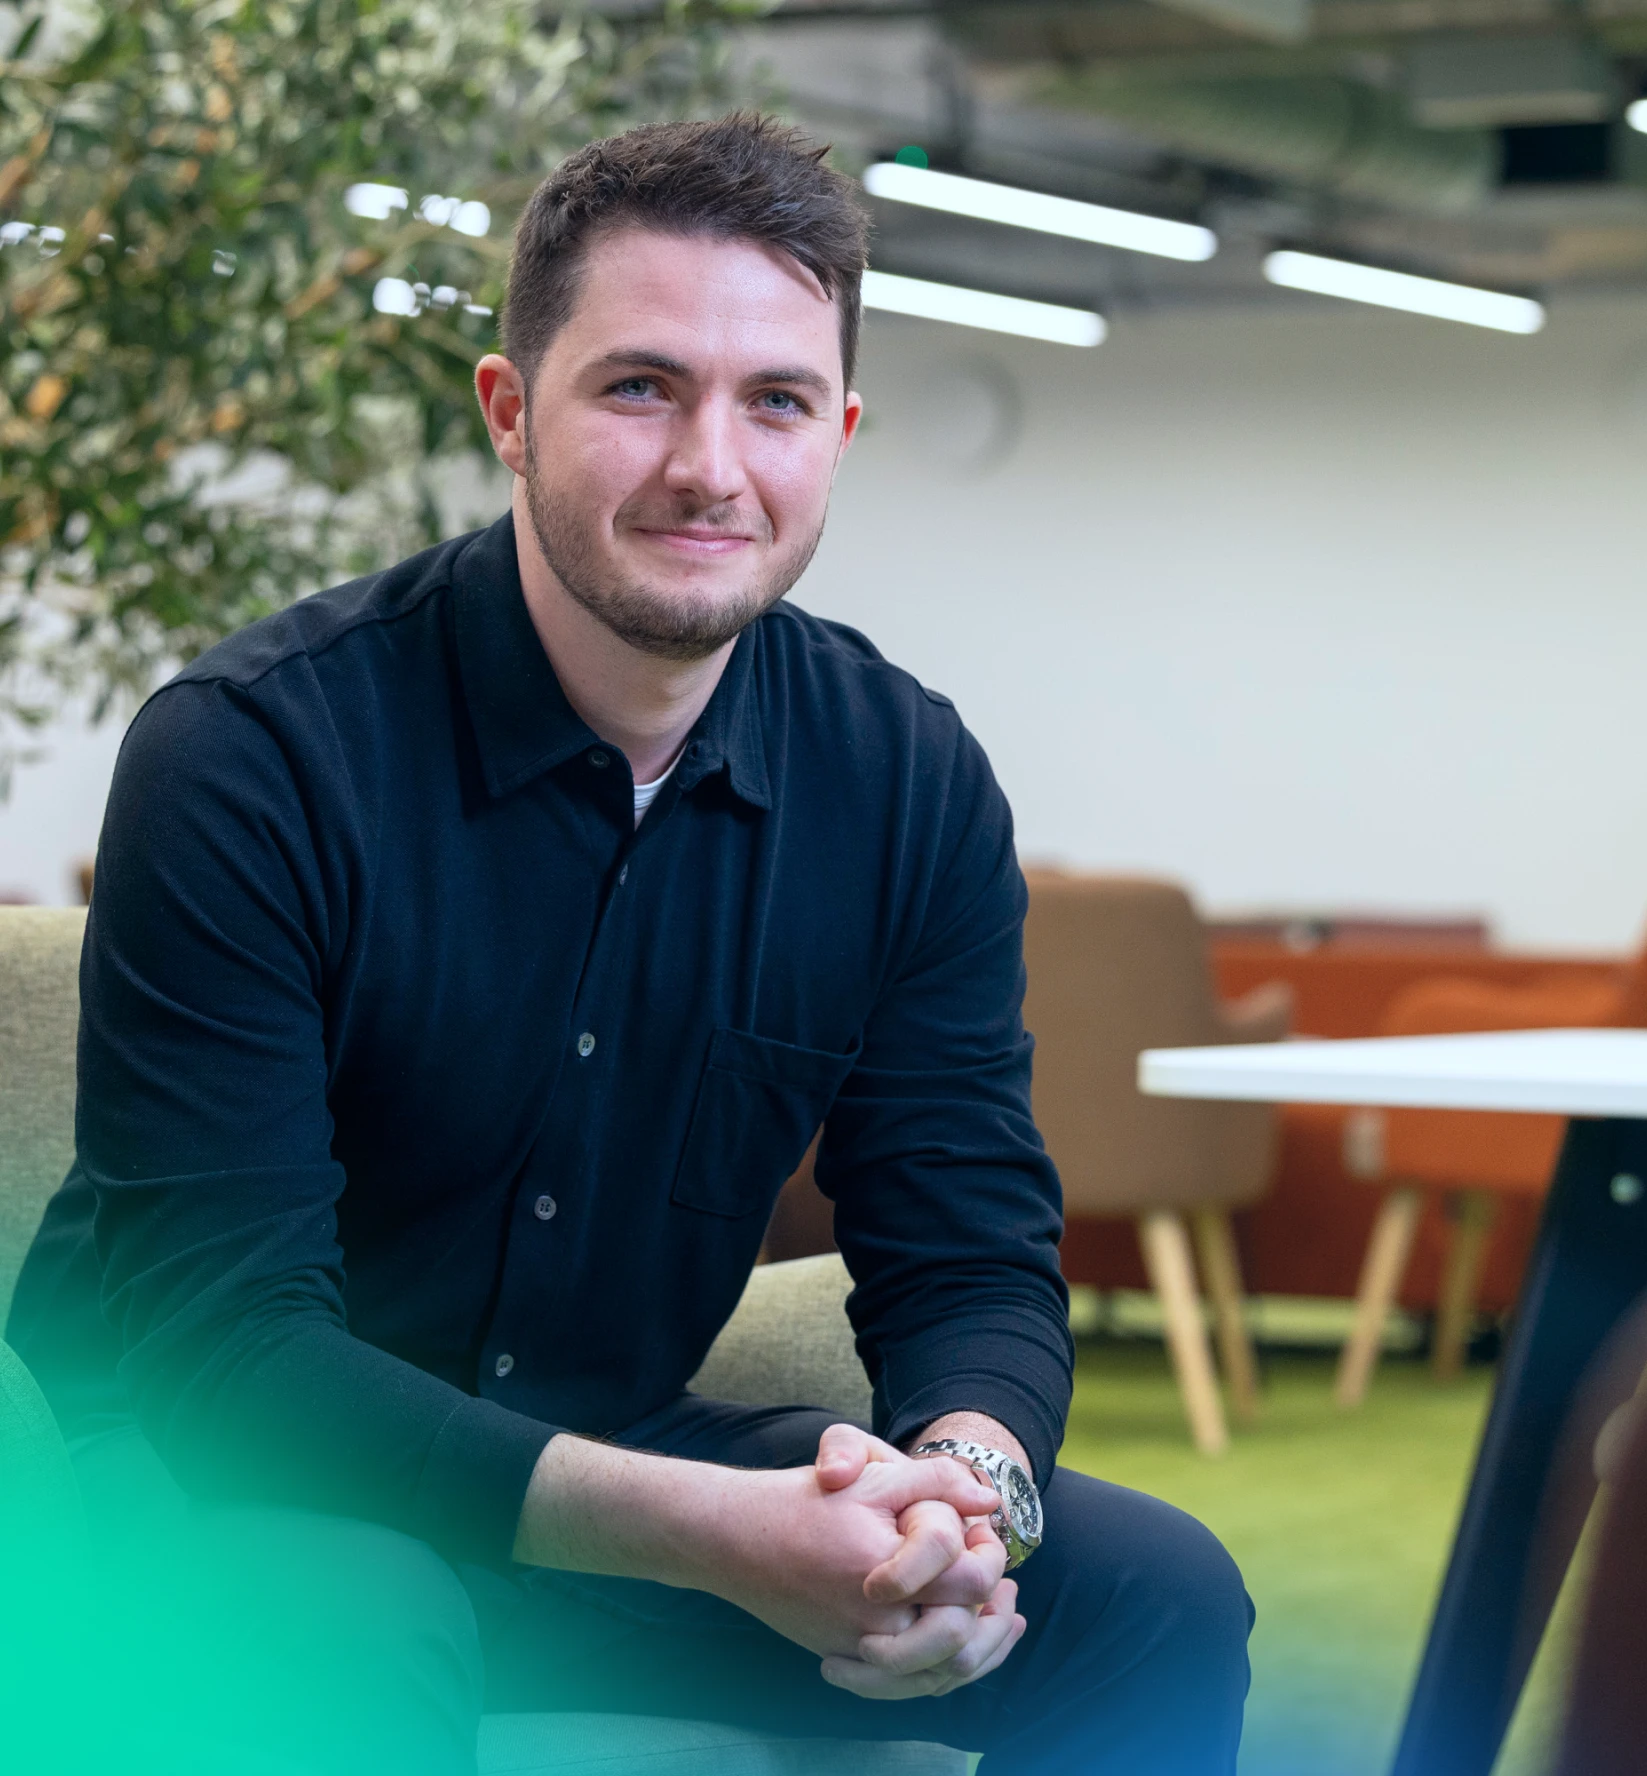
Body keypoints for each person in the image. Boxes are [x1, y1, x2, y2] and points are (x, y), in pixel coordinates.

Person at [7, 114, 1251, 1774]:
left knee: (1157, 1594)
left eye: (777, 402)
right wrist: (713, 1532)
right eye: (641, 386)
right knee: (345, 1616)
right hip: (221, 1464)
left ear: (842, 433)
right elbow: (229, 1351)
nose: (710, 467)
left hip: (608, 1446)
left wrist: (970, 1495)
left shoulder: (907, 780)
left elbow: (966, 1241)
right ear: (511, 414)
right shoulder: (254, 751)